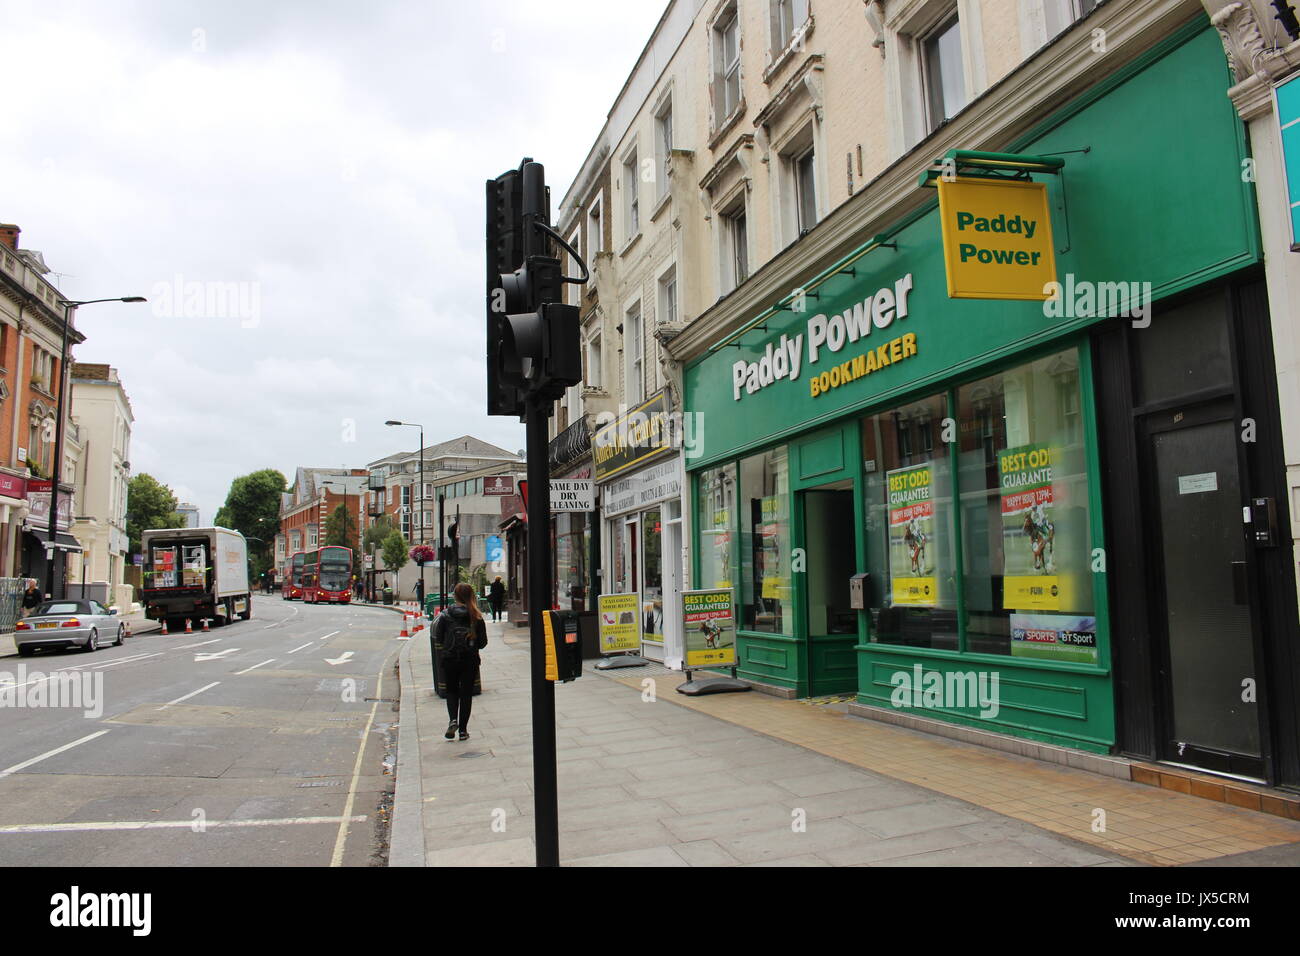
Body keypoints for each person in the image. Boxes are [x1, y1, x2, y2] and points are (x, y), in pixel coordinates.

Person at [433, 582, 488, 742]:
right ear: (472, 596)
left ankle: (453, 720)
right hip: (469, 660)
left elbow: (438, 637)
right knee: (466, 695)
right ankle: (463, 731)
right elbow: (483, 643)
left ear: (455, 596)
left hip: (450, 659)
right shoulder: (476, 617)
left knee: (451, 691)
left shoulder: (445, 615)